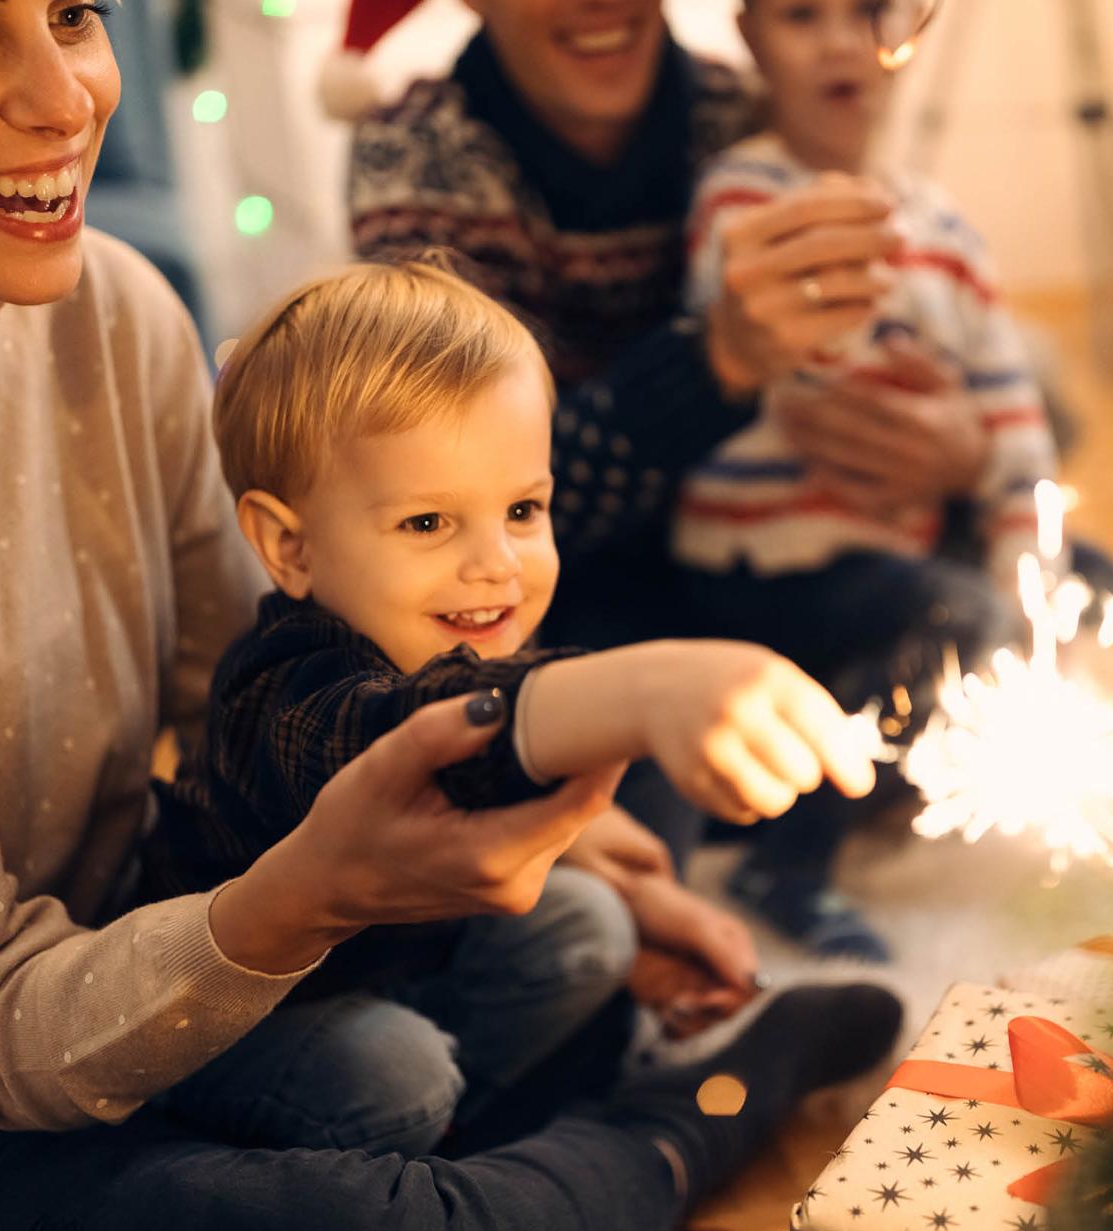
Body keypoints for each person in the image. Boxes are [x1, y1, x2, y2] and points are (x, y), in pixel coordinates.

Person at [0, 3, 901, 1229]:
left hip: (146, 967)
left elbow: (274, 683)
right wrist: (324, 889)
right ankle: (690, 1118)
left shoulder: (105, 309)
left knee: (553, 946)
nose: (66, 98)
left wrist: (542, 826)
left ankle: (505, 1129)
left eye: (73, 14)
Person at [140, 258, 882, 1136]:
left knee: (590, 925)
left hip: (413, 969)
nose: (498, 564)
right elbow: (421, 725)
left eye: (523, 511)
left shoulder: (463, 631)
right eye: (427, 522)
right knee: (391, 1067)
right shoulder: (289, 688)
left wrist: (632, 878)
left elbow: (509, 747)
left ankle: (493, 1125)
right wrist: (647, 687)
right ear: (288, 546)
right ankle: (487, 1150)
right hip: (237, 1029)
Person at [346, 0, 985, 864]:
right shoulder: (420, 155)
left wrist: (959, 452)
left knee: (1027, 587)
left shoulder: (742, 111)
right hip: (575, 591)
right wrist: (715, 361)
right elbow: (463, 509)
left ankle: (804, 798)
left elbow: (949, 339)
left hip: (779, 548)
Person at [669, 0, 1060, 959]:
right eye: (803, 16)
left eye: (866, 13)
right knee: (957, 621)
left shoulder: (949, 229)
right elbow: (801, 356)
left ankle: (878, 771)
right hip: (757, 567)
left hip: (886, 565)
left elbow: (1011, 418)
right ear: (751, 38)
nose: (841, 41)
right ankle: (786, 858)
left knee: (1051, 597)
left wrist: (1031, 591)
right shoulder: (741, 194)